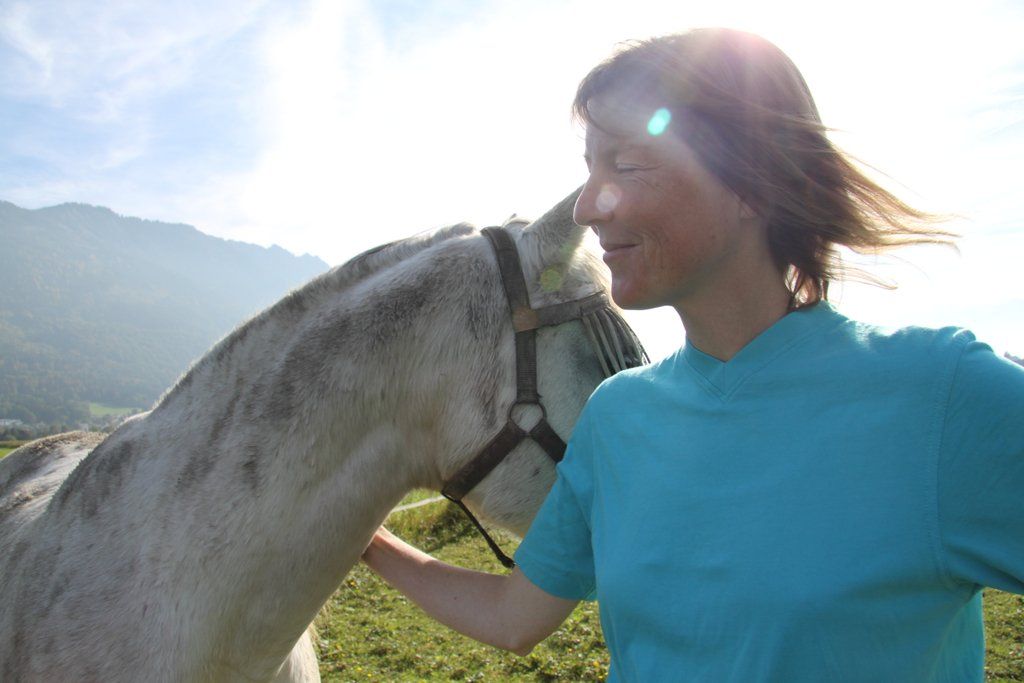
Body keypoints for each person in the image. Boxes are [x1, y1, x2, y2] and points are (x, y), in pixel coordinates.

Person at [362, 27, 1024, 681]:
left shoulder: (943, 397)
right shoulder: (616, 416)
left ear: (753, 182)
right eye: (590, 169)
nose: (587, 207)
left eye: (626, 164)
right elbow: (514, 616)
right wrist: (360, 534)